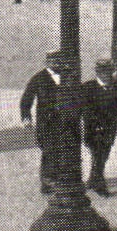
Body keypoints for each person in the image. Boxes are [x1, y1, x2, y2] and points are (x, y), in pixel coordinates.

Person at [20, 51, 82, 195]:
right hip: (46, 123)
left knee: (64, 150)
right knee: (49, 151)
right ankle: (47, 182)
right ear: (47, 62)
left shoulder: (68, 75)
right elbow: (26, 99)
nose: (57, 63)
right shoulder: (38, 78)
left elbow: (78, 96)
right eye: (53, 61)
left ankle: (60, 181)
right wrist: (26, 117)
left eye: (59, 60)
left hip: (66, 122)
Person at [81, 59, 117, 195]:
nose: (106, 75)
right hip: (93, 128)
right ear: (97, 73)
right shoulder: (88, 88)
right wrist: (94, 123)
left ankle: (93, 179)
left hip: (109, 128)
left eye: (109, 72)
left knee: (104, 154)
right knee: (97, 154)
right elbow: (86, 109)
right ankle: (99, 184)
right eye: (102, 72)